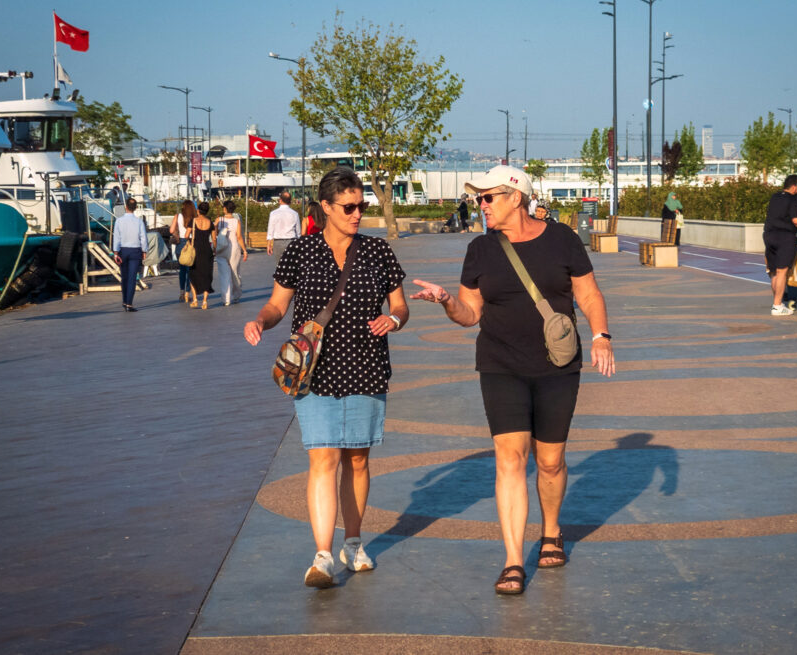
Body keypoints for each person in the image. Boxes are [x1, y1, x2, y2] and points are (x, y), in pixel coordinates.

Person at [411, 164, 615, 596]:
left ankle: (552, 531)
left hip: (557, 367)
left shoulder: (562, 239)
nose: (480, 205)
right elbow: (470, 315)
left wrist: (601, 336)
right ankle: (512, 560)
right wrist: (447, 300)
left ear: (515, 196)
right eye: (479, 199)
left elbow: (588, 293)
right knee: (509, 458)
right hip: (500, 364)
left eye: (488, 197)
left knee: (550, 462)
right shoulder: (480, 249)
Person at [243, 167, 409, 588]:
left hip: (367, 366)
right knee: (323, 456)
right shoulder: (300, 251)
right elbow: (278, 304)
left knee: (357, 458)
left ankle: (352, 543)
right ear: (327, 207)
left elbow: (400, 306)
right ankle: (322, 556)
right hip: (314, 371)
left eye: (362, 206)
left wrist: (393, 319)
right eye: (349, 207)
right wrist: (261, 320)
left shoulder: (378, 252)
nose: (357, 214)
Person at [763, 174, 797, 316]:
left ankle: (777, 303)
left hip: (769, 235)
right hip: (784, 237)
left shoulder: (775, 196)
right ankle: (777, 306)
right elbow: (796, 220)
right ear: (794, 186)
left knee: (773, 272)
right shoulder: (793, 199)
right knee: (782, 271)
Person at [112, 197, 148, 312]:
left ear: (125, 207)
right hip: (135, 251)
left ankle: (124, 300)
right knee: (132, 278)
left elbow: (116, 238)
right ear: (136, 208)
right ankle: (129, 303)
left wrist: (115, 252)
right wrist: (144, 251)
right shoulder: (139, 222)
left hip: (123, 250)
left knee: (124, 277)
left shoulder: (119, 221)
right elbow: (143, 237)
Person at [215, 200, 248, 306]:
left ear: (225, 209)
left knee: (224, 274)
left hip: (221, 248)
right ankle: (236, 295)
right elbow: (239, 237)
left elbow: (214, 232)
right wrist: (244, 250)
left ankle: (226, 298)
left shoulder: (218, 219)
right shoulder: (236, 221)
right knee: (235, 273)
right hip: (234, 248)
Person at [187, 202, 216, 310]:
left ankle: (195, 300)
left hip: (196, 250)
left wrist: (190, 241)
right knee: (206, 275)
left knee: (193, 274)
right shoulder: (210, 222)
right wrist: (215, 249)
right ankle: (204, 301)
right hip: (207, 251)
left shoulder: (193, 221)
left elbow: (186, 235)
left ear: (198, 210)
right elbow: (214, 239)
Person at [169, 200, 196, 302]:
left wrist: (177, 228)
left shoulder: (178, 216)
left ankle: (181, 292)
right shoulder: (194, 217)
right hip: (190, 243)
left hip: (180, 244)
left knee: (182, 270)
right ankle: (188, 293)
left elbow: (171, 230)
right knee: (190, 270)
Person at [266, 191, 301, 261]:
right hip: (291, 241)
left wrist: (269, 244)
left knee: (279, 265)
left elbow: (271, 230)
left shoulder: (273, 213)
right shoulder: (294, 214)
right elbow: (298, 232)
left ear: (280, 200)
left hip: (278, 242)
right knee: (291, 265)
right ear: (290, 201)